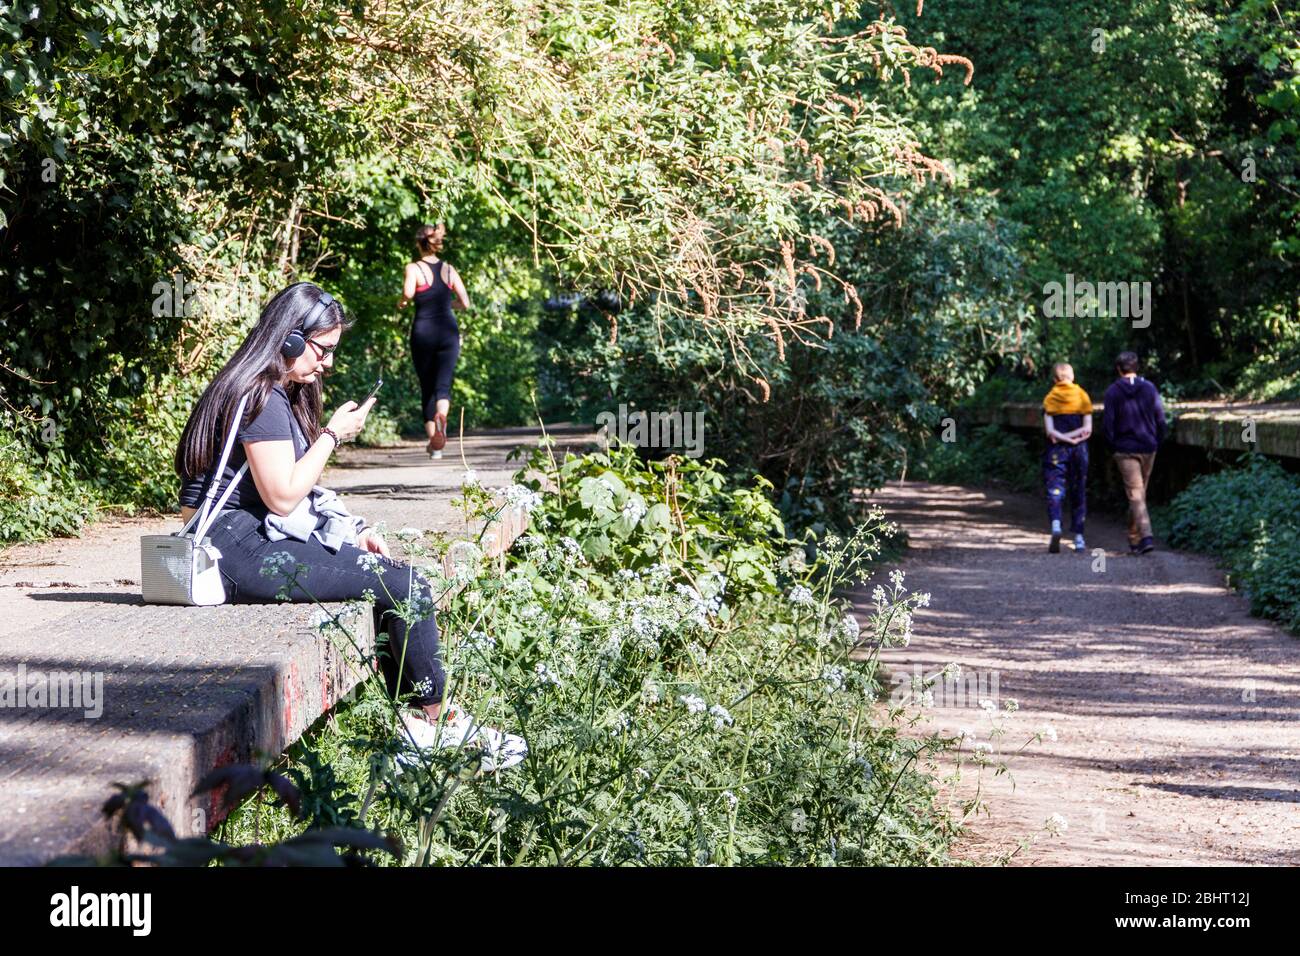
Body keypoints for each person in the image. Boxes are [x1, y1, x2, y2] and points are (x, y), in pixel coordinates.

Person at [174, 282, 523, 771]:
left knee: (386, 574)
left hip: (237, 537)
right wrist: (333, 434)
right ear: (291, 339)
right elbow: (282, 495)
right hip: (234, 546)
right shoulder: (262, 396)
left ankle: (421, 724)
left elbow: (280, 498)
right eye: (324, 350)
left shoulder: (258, 386)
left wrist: (347, 534)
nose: (328, 364)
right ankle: (431, 724)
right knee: (404, 583)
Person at [396, 223, 471, 459]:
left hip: (423, 332)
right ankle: (442, 418)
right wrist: (447, 305)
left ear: (419, 243)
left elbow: (408, 293)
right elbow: (465, 303)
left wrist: (403, 303)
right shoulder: (449, 269)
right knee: (443, 386)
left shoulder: (414, 268)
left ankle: (434, 445)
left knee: (427, 387)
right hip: (449, 332)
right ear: (435, 244)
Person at [1102, 351, 1166, 555]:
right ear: (1137, 368)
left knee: (1136, 495)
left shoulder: (1113, 392)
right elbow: (1160, 419)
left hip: (1125, 448)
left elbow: (1108, 424)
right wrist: (1157, 441)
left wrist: (1112, 446)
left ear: (1119, 369)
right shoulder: (1149, 388)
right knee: (1137, 494)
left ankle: (1142, 537)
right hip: (1148, 446)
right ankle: (1138, 537)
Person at [1041, 362, 1092, 553]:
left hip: (1056, 450)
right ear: (1073, 377)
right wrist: (1074, 439)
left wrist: (1064, 438)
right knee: (1078, 489)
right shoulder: (1082, 396)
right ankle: (1079, 537)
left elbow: (1050, 431)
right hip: (1079, 450)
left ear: (1055, 380)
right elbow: (1088, 429)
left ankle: (1055, 524)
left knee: (1055, 488)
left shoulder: (1050, 399)